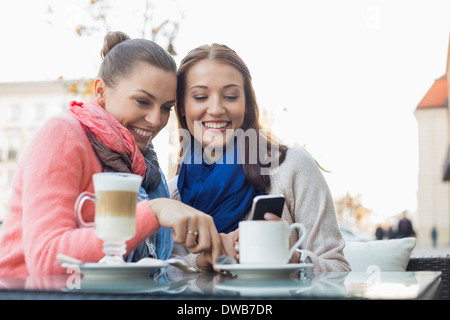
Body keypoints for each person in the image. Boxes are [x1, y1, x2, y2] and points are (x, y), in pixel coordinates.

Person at [0, 32, 223, 277]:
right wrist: (153, 211)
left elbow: (148, 265)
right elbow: (46, 262)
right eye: (142, 101)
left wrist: (196, 262)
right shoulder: (62, 135)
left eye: (165, 108)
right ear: (101, 92)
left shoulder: (147, 165)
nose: (155, 119)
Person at [169, 43, 350, 272]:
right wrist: (200, 262)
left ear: (246, 105)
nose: (215, 109)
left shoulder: (292, 168)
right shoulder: (173, 193)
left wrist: (291, 258)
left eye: (231, 96)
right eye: (200, 96)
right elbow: (166, 276)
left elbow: (338, 269)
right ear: (182, 107)